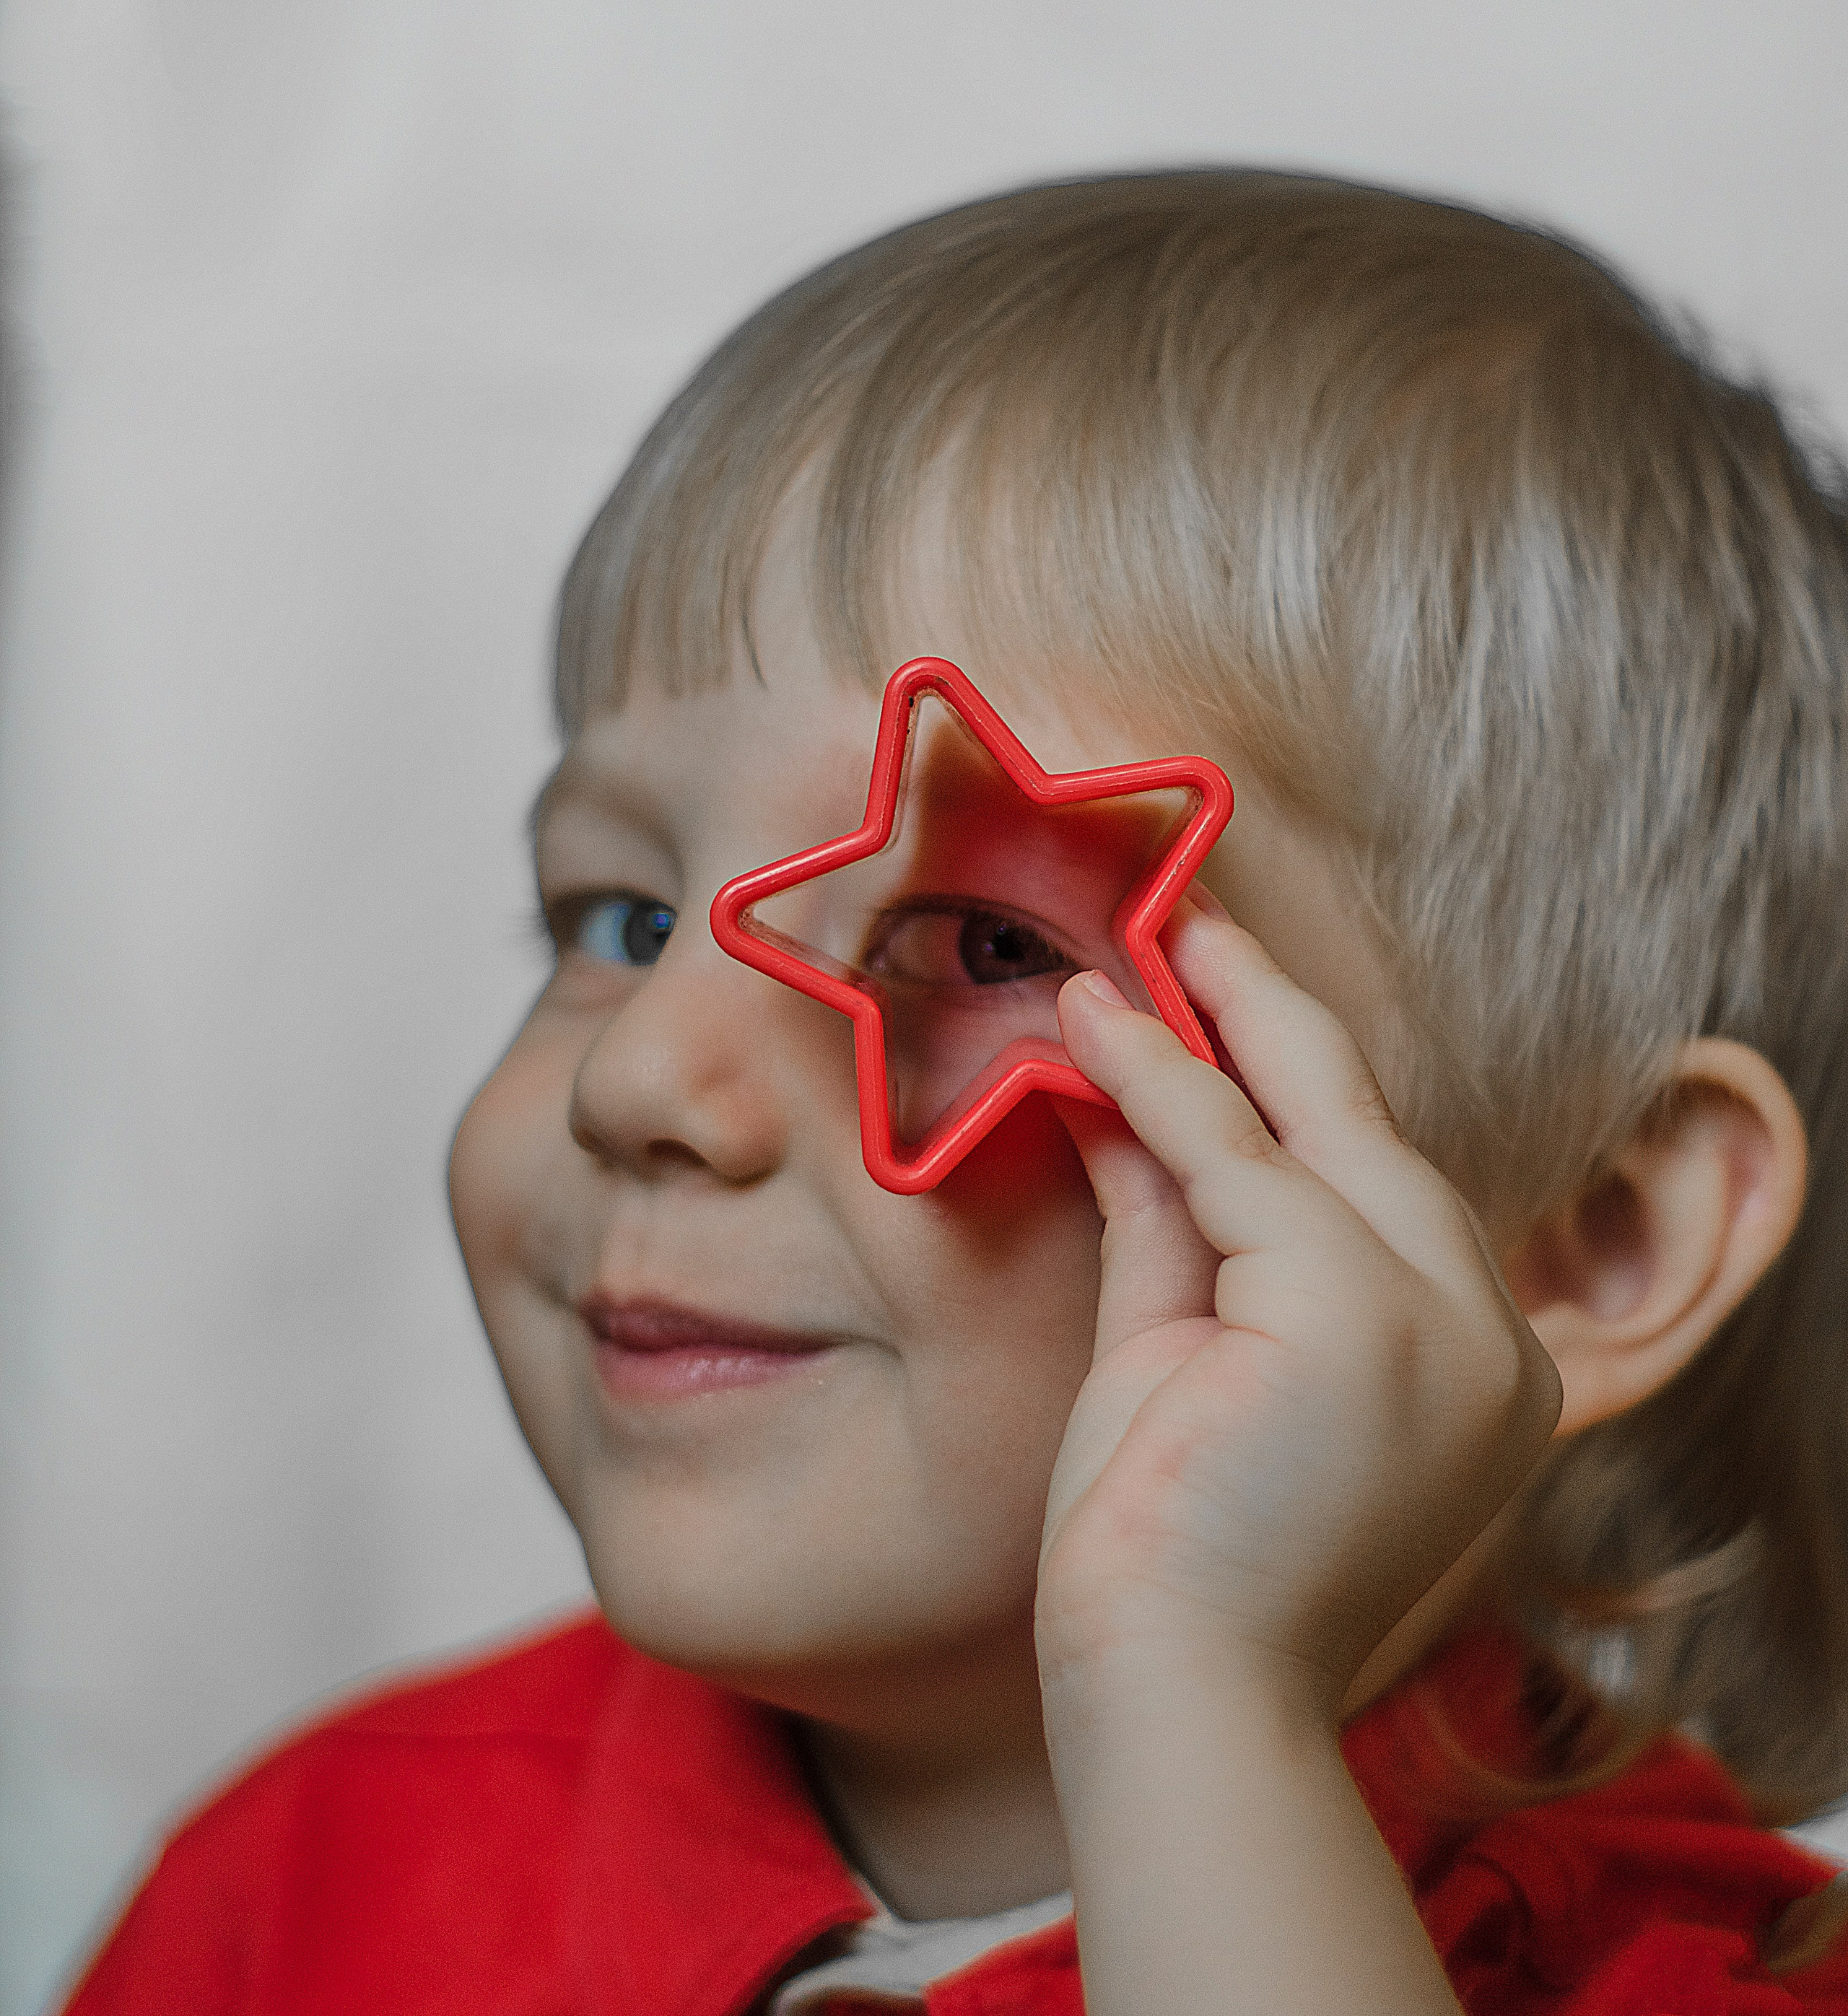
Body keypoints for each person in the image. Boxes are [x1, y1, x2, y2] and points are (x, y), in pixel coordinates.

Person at [61, 170, 1848, 2013]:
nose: (638, 1074)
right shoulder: (296, 1887)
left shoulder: (1713, 1981)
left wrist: (1194, 1693)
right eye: (624, 915)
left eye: (986, 940)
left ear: (1588, 1235)